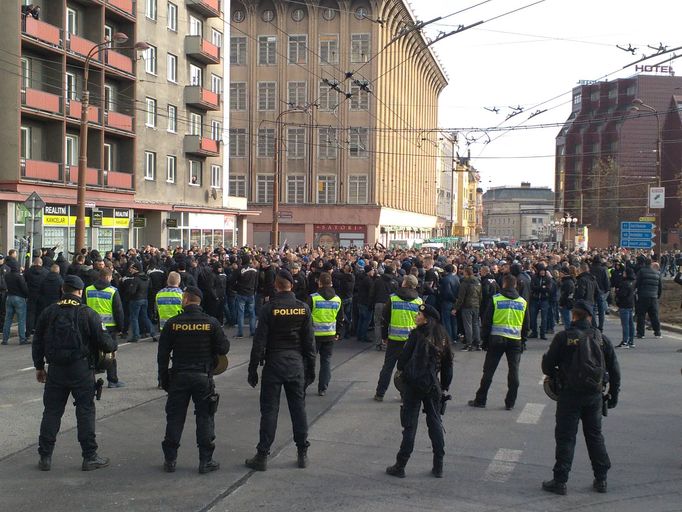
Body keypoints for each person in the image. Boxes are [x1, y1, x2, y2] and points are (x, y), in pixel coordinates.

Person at [32, 275, 118, 471]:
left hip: (55, 370)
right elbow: (105, 343)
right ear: (80, 292)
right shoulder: (87, 313)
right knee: (85, 411)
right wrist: (113, 344)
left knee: (52, 412)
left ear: (63, 289)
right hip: (81, 370)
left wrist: (39, 366)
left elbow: (38, 341)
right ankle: (89, 456)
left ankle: (45, 456)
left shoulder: (49, 312)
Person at [541, 300, 620, 495]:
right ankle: (601, 479)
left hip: (569, 394)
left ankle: (560, 481)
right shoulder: (601, 339)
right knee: (594, 436)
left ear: (574, 316)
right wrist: (613, 394)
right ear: (590, 317)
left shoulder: (563, 337)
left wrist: (556, 375)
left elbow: (547, 366)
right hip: (594, 395)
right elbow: (615, 370)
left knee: (566, 437)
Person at [245, 270, 315, 471]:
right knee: (298, 410)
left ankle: (262, 455)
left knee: (269, 411)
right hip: (295, 363)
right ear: (291, 286)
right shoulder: (303, 308)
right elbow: (309, 343)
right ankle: (302, 452)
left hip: (274, 363)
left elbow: (259, 342)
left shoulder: (269, 309)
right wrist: (311, 369)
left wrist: (252, 369)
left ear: (276, 285)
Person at [157, 286, 229, 474]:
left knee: (175, 418)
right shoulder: (211, 323)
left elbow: (162, 355)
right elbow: (224, 348)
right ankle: (206, 461)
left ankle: (170, 460)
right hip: (203, 377)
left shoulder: (173, 323)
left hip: (179, 376)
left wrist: (163, 379)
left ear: (186, 300)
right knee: (205, 418)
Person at [385, 304, 453, 478]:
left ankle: (400, 466)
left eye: (419, 314)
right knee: (435, 424)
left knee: (410, 426)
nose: (416, 316)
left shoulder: (416, 334)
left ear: (426, 318)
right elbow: (448, 365)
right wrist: (444, 387)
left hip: (414, 385)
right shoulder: (443, 336)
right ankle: (439, 466)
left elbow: (402, 361)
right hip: (433, 386)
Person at [468, 274, 529, 410]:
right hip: (515, 341)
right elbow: (526, 325)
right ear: (515, 285)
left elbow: (486, 321)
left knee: (488, 371)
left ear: (504, 284)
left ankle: (481, 400)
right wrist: (523, 341)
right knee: (514, 372)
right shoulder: (522, 302)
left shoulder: (496, 299)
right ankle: (510, 402)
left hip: (496, 339)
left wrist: (484, 340)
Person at [374, 275, 423, 401]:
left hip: (394, 338)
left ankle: (380, 393)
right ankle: (405, 393)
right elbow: (422, 321)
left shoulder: (393, 298)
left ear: (405, 284)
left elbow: (385, 318)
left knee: (388, 367)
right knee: (407, 368)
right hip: (410, 340)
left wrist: (384, 336)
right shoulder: (418, 301)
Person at [308, 272, 343, 396]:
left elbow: (307, 317)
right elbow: (340, 318)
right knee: (326, 361)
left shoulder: (313, 298)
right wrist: (338, 332)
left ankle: (305, 383)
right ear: (331, 283)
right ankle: (323, 387)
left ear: (319, 283)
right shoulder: (337, 299)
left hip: (314, 335)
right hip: (330, 334)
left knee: (309, 360)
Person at [453, 266, 482, 351]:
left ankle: (469, 344)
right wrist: (478, 304)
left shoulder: (465, 283)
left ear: (466, 272)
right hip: (476, 305)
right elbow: (480, 295)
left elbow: (461, 297)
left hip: (467, 306)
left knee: (468, 326)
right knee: (475, 324)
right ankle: (478, 344)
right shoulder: (478, 281)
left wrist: (455, 308)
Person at [3, 258, 29, 345]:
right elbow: (24, 288)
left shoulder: (7, 276)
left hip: (9, 297)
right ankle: (22, 339)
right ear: (17, 267)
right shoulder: (19, 276)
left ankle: (5, 339)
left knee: (8, 320)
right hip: (19, 298)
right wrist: (27, 295)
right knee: (21, 320)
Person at [634, 257, 662, 339]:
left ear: (644, 264)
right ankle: (657, 332)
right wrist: (657, 296)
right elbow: (660, 286)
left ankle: (641, 333)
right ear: (651, 263)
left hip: (643, 296)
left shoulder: (641, 271)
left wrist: (637, 292)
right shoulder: (657, 273)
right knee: (654, 315)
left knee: (641, 315)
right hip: (653, 297)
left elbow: (637, 283)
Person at [231, 255, 258, 339]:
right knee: (252, 313)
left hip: (241, 293)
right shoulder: (255, 270)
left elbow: (232, 281)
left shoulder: (239, 269)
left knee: (240, 313)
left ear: (242, 260)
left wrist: (236, 288)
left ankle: (240, 333)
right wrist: (254, 291)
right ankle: (253, 332)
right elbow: (257, 283)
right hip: (251, 293)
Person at [614, 267, 636, 348]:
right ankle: (631, 341)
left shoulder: (625, 283)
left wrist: (617, 292)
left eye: (624, 273)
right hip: (630, 304)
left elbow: (622, 294)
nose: (623, 274)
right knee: (630, 323)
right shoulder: (633, 282)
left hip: (624, 304)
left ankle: (625, 341)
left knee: (625, 324)